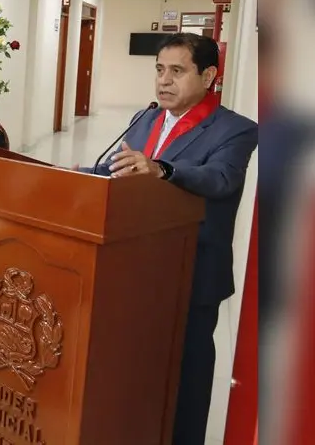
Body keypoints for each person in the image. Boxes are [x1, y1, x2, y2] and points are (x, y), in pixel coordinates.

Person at [81, 33, 258, 445]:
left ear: (209, 75)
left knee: (187, 371)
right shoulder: (145, 118)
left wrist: (163, 169)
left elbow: (221, 179)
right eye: (160, 70)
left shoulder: (236, 129)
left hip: (193, 269)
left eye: (177, 71)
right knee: (140, 363)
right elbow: (118, 170)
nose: (164, 81)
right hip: (135, 265)